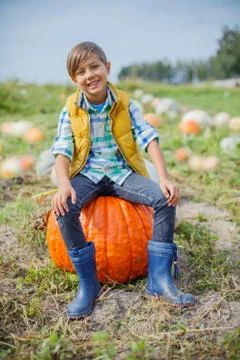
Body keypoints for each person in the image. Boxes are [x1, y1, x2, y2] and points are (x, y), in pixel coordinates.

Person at [51, 41, 196, 319]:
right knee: (65, 208)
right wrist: (64, 185)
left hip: (121, 172)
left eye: (94, 67)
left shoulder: (127, 104)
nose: (89, 75)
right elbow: (62, 150)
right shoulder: (70, 109)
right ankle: (88, 283)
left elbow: (148, 137)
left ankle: (159, 280)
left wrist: (164, 178)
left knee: (164, 199)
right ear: (74, 79)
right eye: (81, 71)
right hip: (88, 173)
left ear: (107, 67)